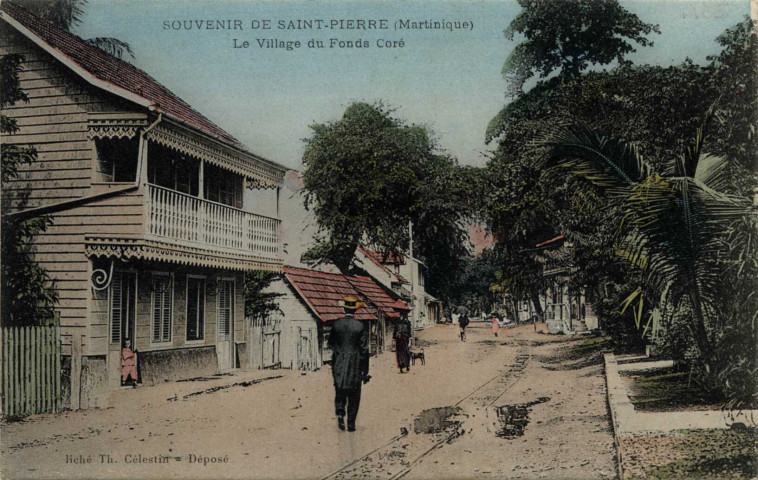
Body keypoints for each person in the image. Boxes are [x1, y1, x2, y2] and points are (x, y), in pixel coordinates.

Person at [328, 296, 371, 432]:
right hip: (354, 364)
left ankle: (340, 414)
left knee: (339, 390)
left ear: (344, 308)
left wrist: (339, 355)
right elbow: (364, 350)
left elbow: (330, 344)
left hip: (339, 363)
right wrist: (365, 371)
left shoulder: (336, 325)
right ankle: (351, 424)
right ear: (355, 310)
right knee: (354, 394)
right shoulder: (359, 326)